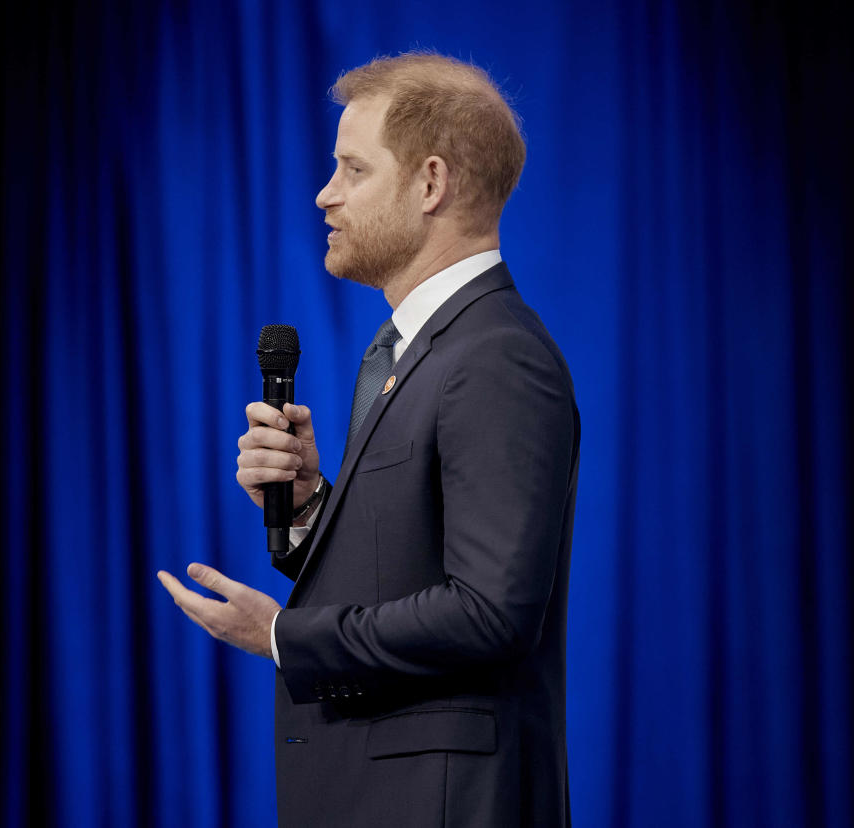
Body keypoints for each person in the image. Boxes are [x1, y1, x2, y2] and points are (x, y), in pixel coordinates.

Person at [158, 52, 579, 826]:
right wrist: (315, 503)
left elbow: (491, 614)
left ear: (429, 183)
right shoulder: (414, 351)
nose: (325, 195)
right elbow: (409, 567)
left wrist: (285, 635)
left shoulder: (498, 357)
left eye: (353, 169)